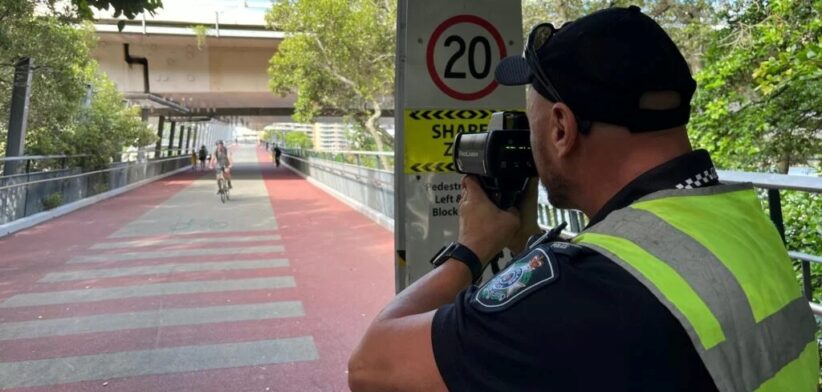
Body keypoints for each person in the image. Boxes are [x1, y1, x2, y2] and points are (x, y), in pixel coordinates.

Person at [348, 6, 817, 392]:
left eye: (530, 128)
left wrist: (471, 249)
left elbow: (370, 367)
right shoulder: (740, 218)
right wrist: (530, 240)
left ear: (560, 128)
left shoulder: (587, 290)